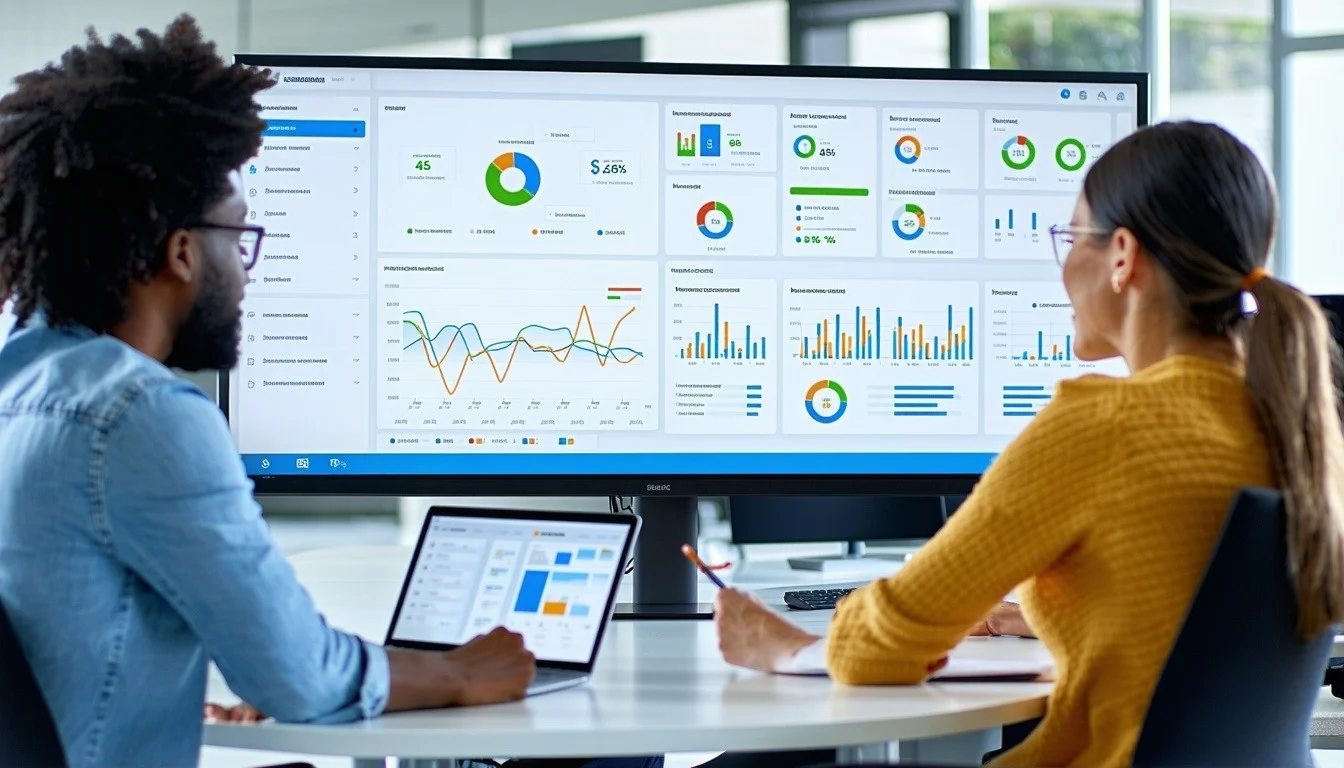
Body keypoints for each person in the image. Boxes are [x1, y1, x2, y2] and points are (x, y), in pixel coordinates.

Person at [0, 17, 658, 768]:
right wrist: (456, 673)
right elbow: (300, 679)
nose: (246, 272)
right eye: (239, 239)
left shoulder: (20, 387)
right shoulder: (140, 416)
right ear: (182, 253)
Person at [711, 120, 1344, 768]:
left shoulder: (1102, 426)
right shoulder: (1295, 425)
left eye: (1072, 238)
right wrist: (1052, 613)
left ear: (1122, 256)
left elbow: (885, 646)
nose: (1063, 265)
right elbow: (1184, 617)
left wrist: (784, 646)